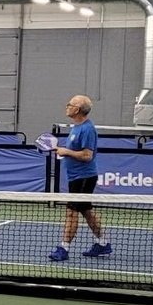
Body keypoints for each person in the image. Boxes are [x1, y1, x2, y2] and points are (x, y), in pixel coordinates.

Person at [49, 95, 111, 261]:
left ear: (77, 110)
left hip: (83, 178)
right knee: (87, 212)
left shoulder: (87, 129)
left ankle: (64, 248)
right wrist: (64, 153)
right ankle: (103, 244)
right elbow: (76, 153)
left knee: (71, 212)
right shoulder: (76, 127)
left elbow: (87, 156)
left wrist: (66, 152)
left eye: (71, 104)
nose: (67, 106)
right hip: (76, 177)